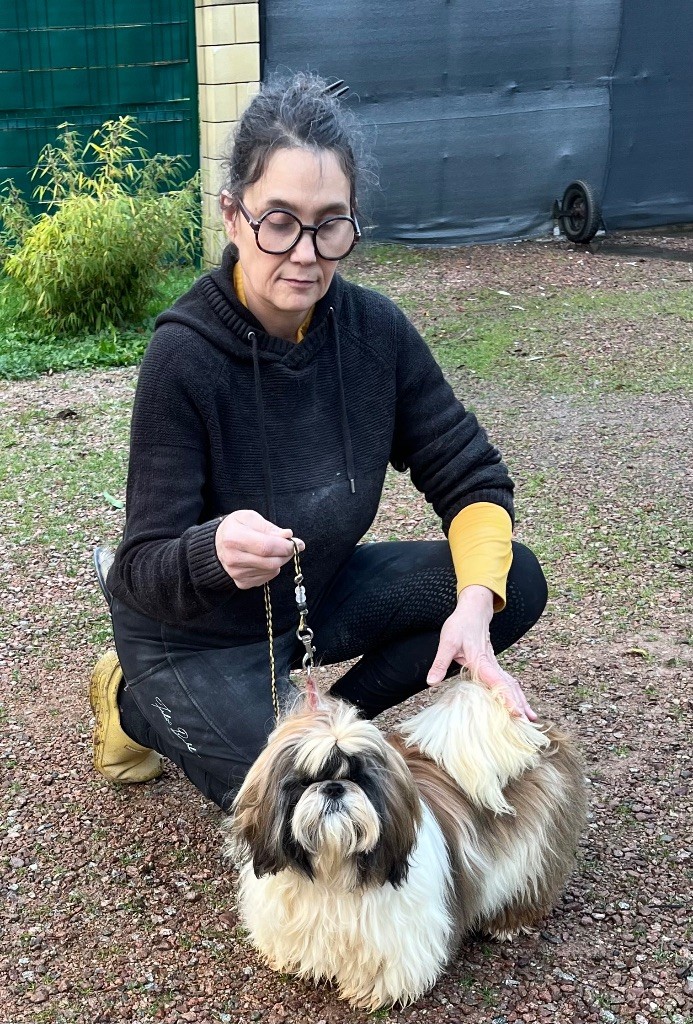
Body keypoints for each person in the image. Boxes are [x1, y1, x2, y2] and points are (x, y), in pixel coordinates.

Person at [90, 72, 548, 811]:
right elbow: (140, 568)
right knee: (278, 806)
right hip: (190, 632)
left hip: (311, 594)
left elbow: (471, 478)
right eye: (279, 220)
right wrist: (211, 550)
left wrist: (470, 608)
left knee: (509, 584)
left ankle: (335, 731)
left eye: (328, 222)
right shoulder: (183, 356)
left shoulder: (376, 334)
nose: (304, 253)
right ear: (233, 218)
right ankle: (130, 701)